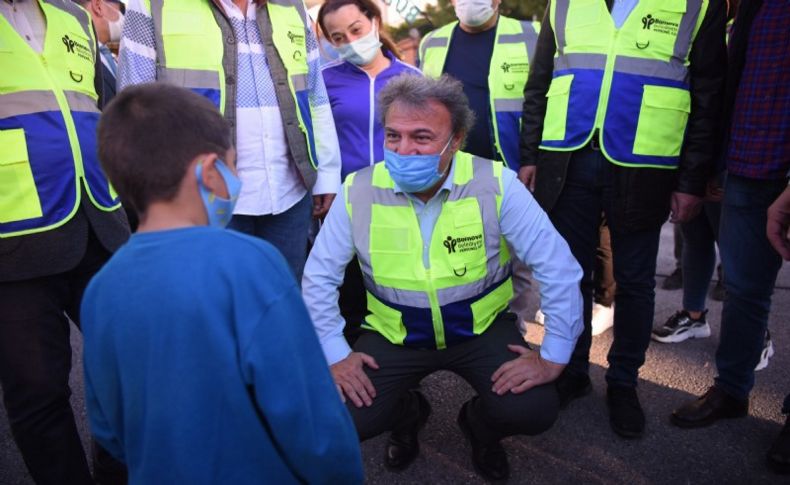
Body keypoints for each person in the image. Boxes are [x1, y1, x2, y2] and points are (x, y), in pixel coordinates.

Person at [303, 74, 583, 481]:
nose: (403, 150)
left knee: (533, 409)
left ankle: (479, 427)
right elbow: (318, 278)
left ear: (457, 139)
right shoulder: (356, 190)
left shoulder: (496, 183)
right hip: (394, 334)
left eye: (421, 137)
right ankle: (407, 414)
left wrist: (553, 355)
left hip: (481, 330)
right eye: (393, 136)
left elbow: (557, 267)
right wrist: (336, 354)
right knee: (342, 416)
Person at [81, 83, 363, 484]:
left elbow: (108, 425)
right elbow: (307, 412)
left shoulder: (101, 287)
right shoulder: (250, 263)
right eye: (234, 165)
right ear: (210, 172)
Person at [519, 0, 727, 439]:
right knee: (567, 276)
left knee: (634, 281)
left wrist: (691, 179)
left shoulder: (698, 4)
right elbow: (539, 81)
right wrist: (529, 154)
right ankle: (571, 371)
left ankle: (623, 383)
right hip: (568, 158)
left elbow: (710, 97)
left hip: (645, 163)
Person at [118, 0, 341, 283]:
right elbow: (136, 108)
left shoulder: (290, 6)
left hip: (290, 194)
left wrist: (327, 174)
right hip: (202, 199)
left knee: (281, 302)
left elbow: (315, 95)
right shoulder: (151, 6)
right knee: (216, 309)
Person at [0, 1, 130, 483]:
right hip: (12, 241)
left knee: (128, 366)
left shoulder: (72, 16)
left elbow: (103, 108)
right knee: (37, 391)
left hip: (99, 220)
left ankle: (118, 473)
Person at [670, 0, 789, 476]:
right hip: (747, 161)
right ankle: (733, 389)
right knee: (742, 287)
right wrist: (716, 166)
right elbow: (732, 84)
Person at [317, 0, 421, 336]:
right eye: (338, 37)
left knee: (398, 292)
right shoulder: (324, 81)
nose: (349, 41)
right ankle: (351, 371)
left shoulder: (413, 79)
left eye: (356, 29)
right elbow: (318, 141)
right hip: (345, 205)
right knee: (349, 294)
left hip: (401, 202)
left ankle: (401, 375)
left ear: (374, 21)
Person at [418, 0, 539, 172]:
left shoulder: (533, 34)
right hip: (450, 170)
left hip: (515, 166)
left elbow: (544, 103)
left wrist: (531, 160)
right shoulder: (430, 42)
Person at [73, 0, 123, 107]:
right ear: (97, 6)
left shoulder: (107, 55)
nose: (122, 16)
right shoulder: (81, 57)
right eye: (111, 8)